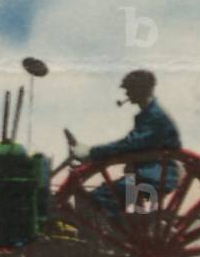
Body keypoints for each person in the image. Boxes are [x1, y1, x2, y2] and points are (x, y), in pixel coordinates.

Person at [67, 69, 181, 216]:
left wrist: (91, 152)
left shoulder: (154, 117)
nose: (126, 94)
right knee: (103, 195)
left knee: (98, 198)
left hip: (153, 179)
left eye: (129, 89)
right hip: (150, 177)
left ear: (141, 89)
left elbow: (129, 145)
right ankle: (130, 224)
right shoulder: (149, 114)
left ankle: (108, 235)